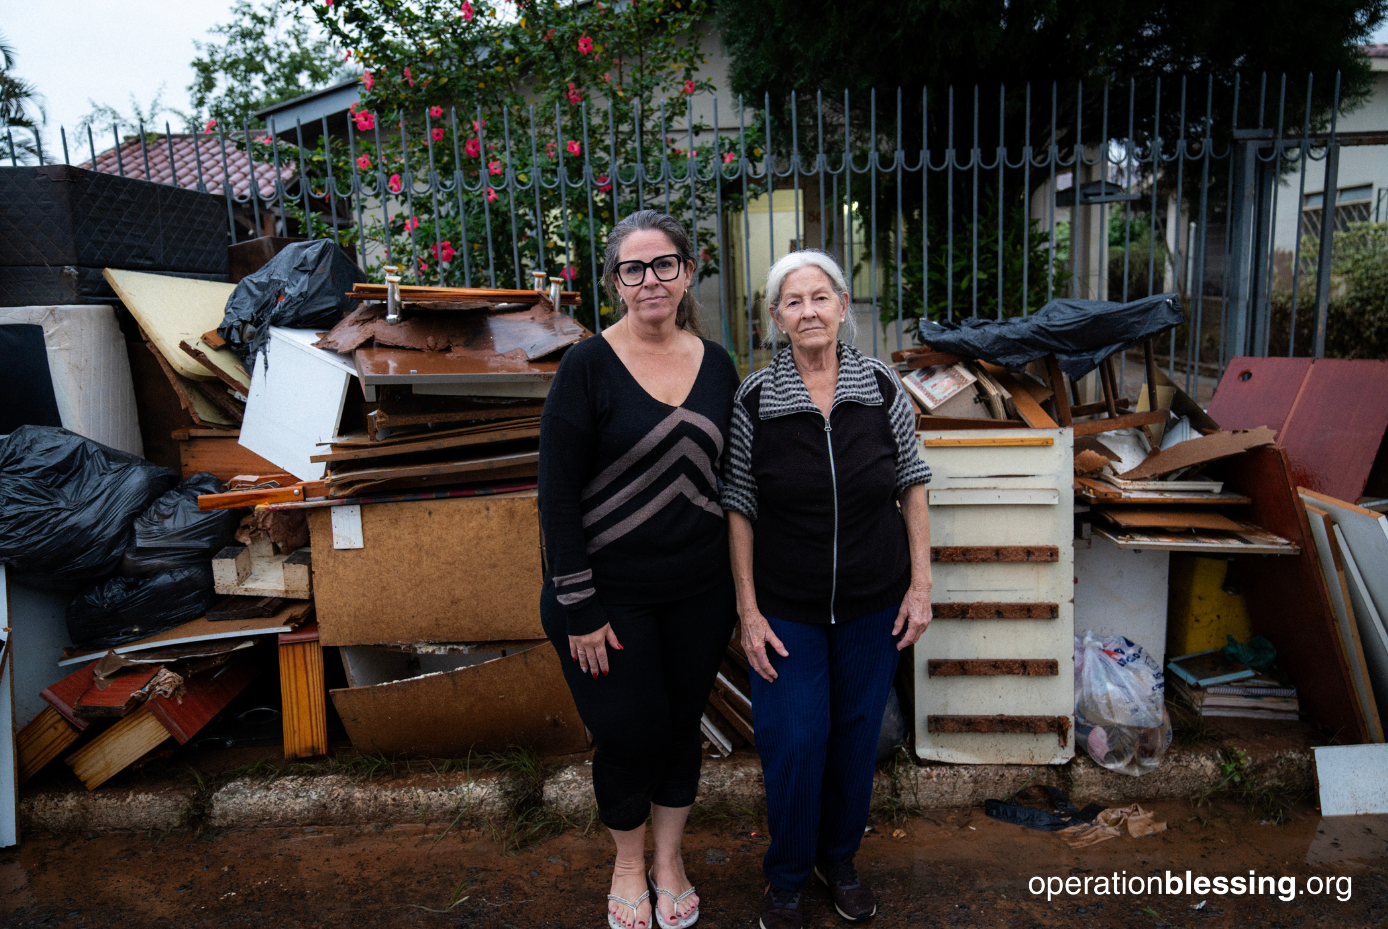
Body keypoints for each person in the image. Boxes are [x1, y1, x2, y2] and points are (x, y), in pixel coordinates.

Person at [539, 210, 741, 929]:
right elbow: (557, 497)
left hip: (697, 591)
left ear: (687, 272)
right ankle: (628, 861)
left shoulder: (718, 364)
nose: (649, 280)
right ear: (615, 281)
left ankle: (669, 859)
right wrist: (580, 606)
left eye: (664, 264)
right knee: (628, 730)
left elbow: (732, 478)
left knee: (679, 724)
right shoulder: (585, 366)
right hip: (604, 597)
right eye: (633, 268)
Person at [720, 250, 934, 929]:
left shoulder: (880, 387)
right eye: (793, 300)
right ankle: (785, 875)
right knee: (794, 739)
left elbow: (913, 484)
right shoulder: (755, 398)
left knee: (854, 737)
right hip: (787, 609)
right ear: (776, 318)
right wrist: (748, 610)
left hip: (874, 602)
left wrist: (921, 584)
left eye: (820, 296)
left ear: (843, 307)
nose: (808, 310)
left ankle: (837, 860)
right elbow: (739, 506)